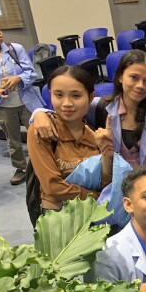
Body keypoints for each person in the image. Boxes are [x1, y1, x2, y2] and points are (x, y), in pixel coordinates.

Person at [31, 50, 146, 169]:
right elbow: (67, 110)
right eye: (134, 77)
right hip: (110, 193)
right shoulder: (99, 107)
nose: (140, 85)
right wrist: (39, 113)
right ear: (121, 77)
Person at [27, 65, 111, 212]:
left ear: (91, 97)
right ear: (50, 94)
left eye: (76, 95)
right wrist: (98, 197)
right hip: (60, 217)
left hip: (94, 215)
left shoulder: (96, 134)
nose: (67, 103)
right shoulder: (42, 131)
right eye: (58, 95)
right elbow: (52, 187)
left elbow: (105, 183)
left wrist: (108, 156)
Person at [0, 16, 45, 186]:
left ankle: (45, 165)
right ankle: (21, 169)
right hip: (3, 105)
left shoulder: (15, 49)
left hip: (26, 101)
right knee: (13, 140)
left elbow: (32, 73)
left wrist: (18, 78)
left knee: (39, 135)